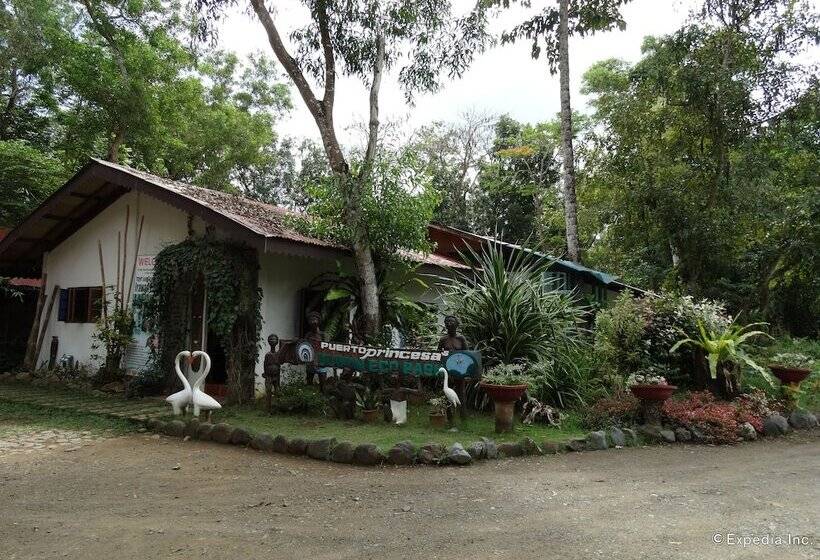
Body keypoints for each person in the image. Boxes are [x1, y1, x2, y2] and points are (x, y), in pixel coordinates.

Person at [304, 311, 327, 391]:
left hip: (321, 362)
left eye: (315, 320)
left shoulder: (323, 335)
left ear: (318, 321)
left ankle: (322, 399)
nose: (313, 322)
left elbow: (327, 347)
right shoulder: (308, 335)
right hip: (310, 362)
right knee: (309, 383)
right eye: (311, 320)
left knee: (323, 385)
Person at [263, 334, 281, 414]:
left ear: (277, 341)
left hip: (276, 377)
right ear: (268, 341)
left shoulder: (278, 354)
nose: (272, 341)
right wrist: (266, 375)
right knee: (269, 392)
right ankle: (268, 410)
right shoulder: (267, 355)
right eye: (271, 339)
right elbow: (265, 365)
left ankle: (277, 409)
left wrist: (278, 378)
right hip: (269, 377)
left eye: (274, 339)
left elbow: (279, 366)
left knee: (278, 392)